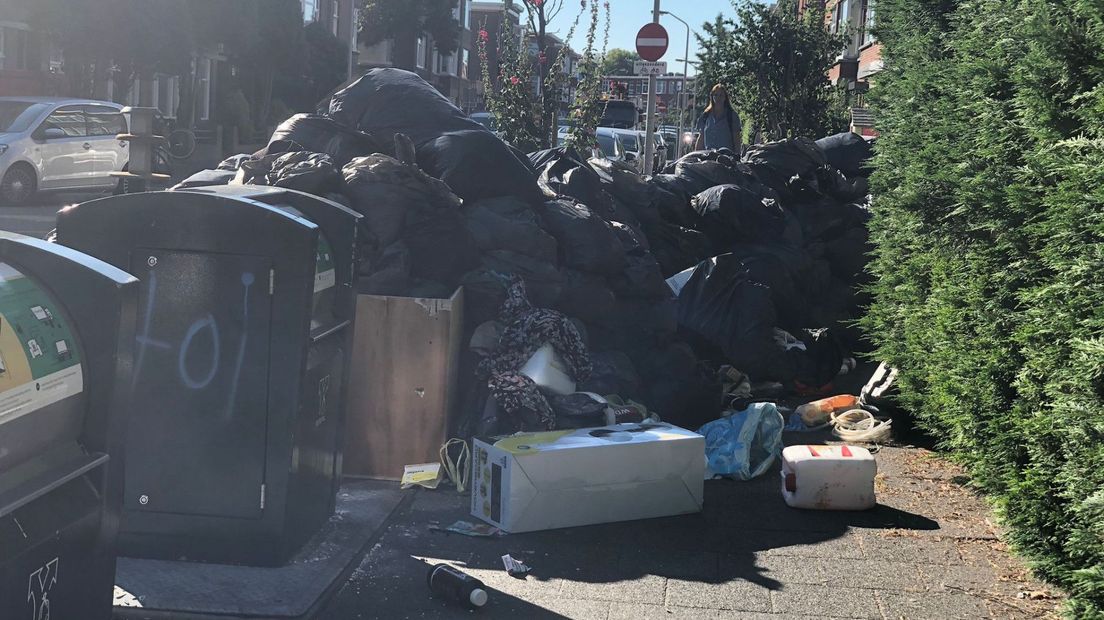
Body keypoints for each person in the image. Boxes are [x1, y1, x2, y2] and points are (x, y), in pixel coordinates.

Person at [693, 84, 742, 154]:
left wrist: (737, 157)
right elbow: (701, 138)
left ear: (725, 98)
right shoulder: (705, 116)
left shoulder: (731, 116)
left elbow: (737, 139)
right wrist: (696, 156)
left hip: (726, 158)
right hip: (708, 157)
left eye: (721, 95)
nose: (718, 98)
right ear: (712, 97)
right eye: (715, 95)